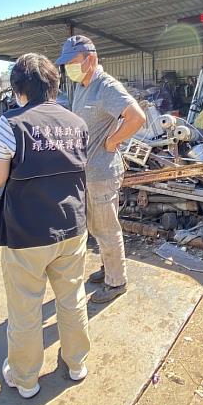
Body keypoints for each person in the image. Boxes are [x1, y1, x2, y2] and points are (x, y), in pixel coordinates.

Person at [0, 53, 91, 399]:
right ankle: (76, 363)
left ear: (18, 89)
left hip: (28, 233)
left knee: (26, 308)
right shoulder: (77, 123)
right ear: (55, 86)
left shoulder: (10, 123)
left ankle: (26, 379)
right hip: (73, 226)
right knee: (72, 298)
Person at [56, 35, 146, 304]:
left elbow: (137, 118)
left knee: (107, 229)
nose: (67, 69)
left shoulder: (106, 86)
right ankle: (108, 268)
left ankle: (116, 282)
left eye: (72, 63)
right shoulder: (83, 85)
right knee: (97, 227)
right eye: (65, 64)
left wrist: (112, 140)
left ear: (90, 59)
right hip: (88, 173)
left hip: (103, 172)